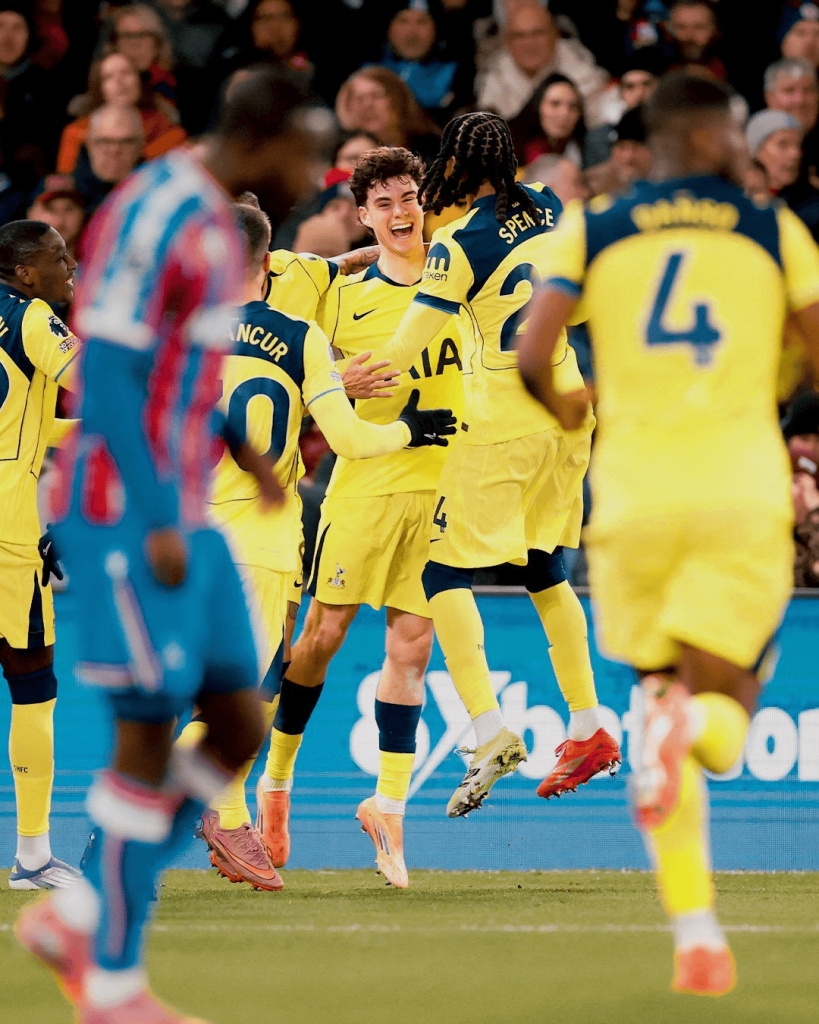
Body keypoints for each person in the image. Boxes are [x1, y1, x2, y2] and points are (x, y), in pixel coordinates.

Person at [14, 67, 328, 1024]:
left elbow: (179, 368)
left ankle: (79, 913)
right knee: (152, 732)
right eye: (307, 152)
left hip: (182, 503)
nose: (311, 174)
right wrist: (154, 519)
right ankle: (109, 973)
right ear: (265, 138)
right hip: (123, 506)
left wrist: (245, 451)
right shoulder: (157, 214)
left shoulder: (215, 234)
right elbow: (108, 375)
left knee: (236, 721)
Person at [517, 72, 819, 997]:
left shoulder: (592, 227)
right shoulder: (770, 228)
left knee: (660, 702)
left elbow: (530, 354)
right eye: (733, 131)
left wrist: (570, 409)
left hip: (630, 503)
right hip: (737, 494)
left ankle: (696, 935)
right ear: (704, 137)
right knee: (724, 714)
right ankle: (693, 728)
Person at [181, 197, 455, 889]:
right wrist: (412, 430)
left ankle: (229, 818)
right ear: (267, 259)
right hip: (261, 537)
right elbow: (350, 439)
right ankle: (172, 815)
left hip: (189, 533)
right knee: (244, 696)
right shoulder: (298, 333)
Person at [373, 111, 621, 817]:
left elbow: (406, 347)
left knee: (443, 574)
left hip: (501, 424)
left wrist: (340, 380)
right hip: (565, 414)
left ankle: (488, 731)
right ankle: (587, 726)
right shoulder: (548, 205)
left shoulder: (459, 245)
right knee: (545, 568)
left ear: (452, 164)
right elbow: (578, 312)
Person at [253, 146, 465, 889]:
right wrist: (333, 377)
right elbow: (276, 356)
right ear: (363, 215)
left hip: (442, 487)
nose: (401, 212)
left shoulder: (459, 277)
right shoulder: (339, 297)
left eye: (409, 198)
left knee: (412, 648)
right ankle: (276, 781)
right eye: (385, 203)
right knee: (322, 637)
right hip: (366, 484)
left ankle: (389, 811)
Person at [0, 220, 80, 891]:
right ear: (24, 273)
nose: (70, 264)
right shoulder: (31, 319)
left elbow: (25, 420)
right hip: (7, 527)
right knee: (32, 684)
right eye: (57, 256)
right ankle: (32, 857)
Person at [477, 2, 608, 125]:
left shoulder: (586, 77)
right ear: (507, 43)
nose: (529, 43)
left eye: (538, 33)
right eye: (519, 36)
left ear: (555, 35)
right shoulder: (493, 78)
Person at [56, 52, 186, 175]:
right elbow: (66, 183)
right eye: (108, 77)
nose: (119, 81)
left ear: (140, 81)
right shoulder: (76, 134)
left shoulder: (171, 134)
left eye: (126, 73)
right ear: (98, 87)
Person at [335, 65, 442, 163]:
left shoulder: (433, 148)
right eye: (359, 98)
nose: (367, 105)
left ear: (399, 99)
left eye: (377, 95)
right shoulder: (350, 150)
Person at [74, 104, 145, 215]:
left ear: (141, 145)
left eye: (126, 142)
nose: (114, 150)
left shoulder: (160, 193)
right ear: (89, 144)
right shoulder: (61, 193)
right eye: (104, 141)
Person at [509, 72, 585, 169]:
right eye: (555, 104)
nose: (564, 114)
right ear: (537, 106)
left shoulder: (578, 151)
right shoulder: (504, 143)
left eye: (573, 106)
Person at [27, 175, 87, 260]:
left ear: (82, 214)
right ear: (31, 214)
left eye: (69, 208)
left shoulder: (101, 259)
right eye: (50, 208)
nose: (60, 218)